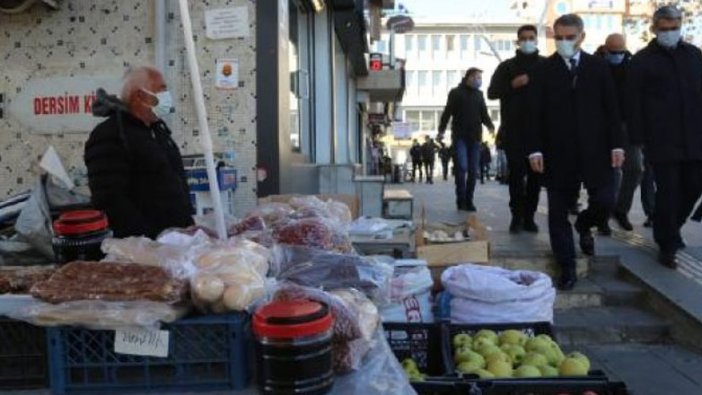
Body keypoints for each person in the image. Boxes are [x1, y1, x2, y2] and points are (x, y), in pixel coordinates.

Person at [527, 14, 624, 290]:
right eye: (559, 37)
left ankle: (584, 224)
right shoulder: (543, 71)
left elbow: (611, 109)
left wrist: (617, 144)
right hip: (558, 152)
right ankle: (566, 265)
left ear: (582, 37)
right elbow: (533, 114)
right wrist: (534, 149)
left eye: (570, 37)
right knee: (557, 212)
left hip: (597, 150)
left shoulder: (598, 67)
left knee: (606, 200)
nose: (564, 42)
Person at [627, 6, 702, 269]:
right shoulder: (641, 61)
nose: (670, 33)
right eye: (664, 28)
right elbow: (633, 103)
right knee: (669, 191)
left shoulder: (694, 55)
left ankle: (669, 225)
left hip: (695, 137)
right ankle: (667, 243)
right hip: (661, 139)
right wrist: (638, 137)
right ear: (655, 29)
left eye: (674, 27)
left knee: (693, 187)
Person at [85, 66, 194, 239]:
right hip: (145, 247)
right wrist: (148, 240)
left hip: (176, 240)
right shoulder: (110, 134)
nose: (167, 96)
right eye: (161, 90)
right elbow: (109, 199)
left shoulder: (157, 130)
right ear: (140, 95)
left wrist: (187, 224)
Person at [488, 24, 545, 233]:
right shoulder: (507, 67)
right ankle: (516, 216)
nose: (528, 41)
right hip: (514, 131)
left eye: (531, 37)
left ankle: (529, 216)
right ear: (518, 41)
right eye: (524, 38)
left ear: (537, 39)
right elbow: (492, 92)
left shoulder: (545, 65)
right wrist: (512, 85)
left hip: (540, 132)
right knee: (516, 175)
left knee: (535, 177)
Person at [596, 34, 641, 233]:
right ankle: (603, 216)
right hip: (603, 127)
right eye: (613, 52)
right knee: (609, 173)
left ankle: (621, 209)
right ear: (605, 49)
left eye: (620, 52)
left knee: (635, 169)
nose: (617, 56)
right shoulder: (595, 67)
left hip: (629, 126)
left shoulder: (634, 67)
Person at [438, 68, 495, 211]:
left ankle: (469, 200)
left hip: (475, 138)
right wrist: (441, 130)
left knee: (473, 169)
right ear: (468, 77)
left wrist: (490, 126)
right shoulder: (456, 93)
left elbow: (484, 114)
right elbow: (447, 112)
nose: (479, 80)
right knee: (462, 167)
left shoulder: (479, 95)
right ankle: (461, 199)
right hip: (460, 137)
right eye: (477, 77)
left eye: (480, 78)